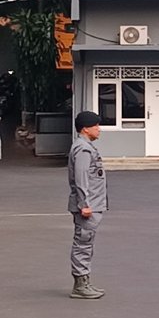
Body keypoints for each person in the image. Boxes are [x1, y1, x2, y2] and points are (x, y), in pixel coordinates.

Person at [68, 111, 108, 299]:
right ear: (85, 128)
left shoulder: (87, 147)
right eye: (96, 125)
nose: (99, 129)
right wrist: (84, 204)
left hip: (93, 204)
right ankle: (80, 285)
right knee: (83, 244)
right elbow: (81, 177)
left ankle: (85, 282)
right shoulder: (83, 149)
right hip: (88, 206)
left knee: (87, 243)